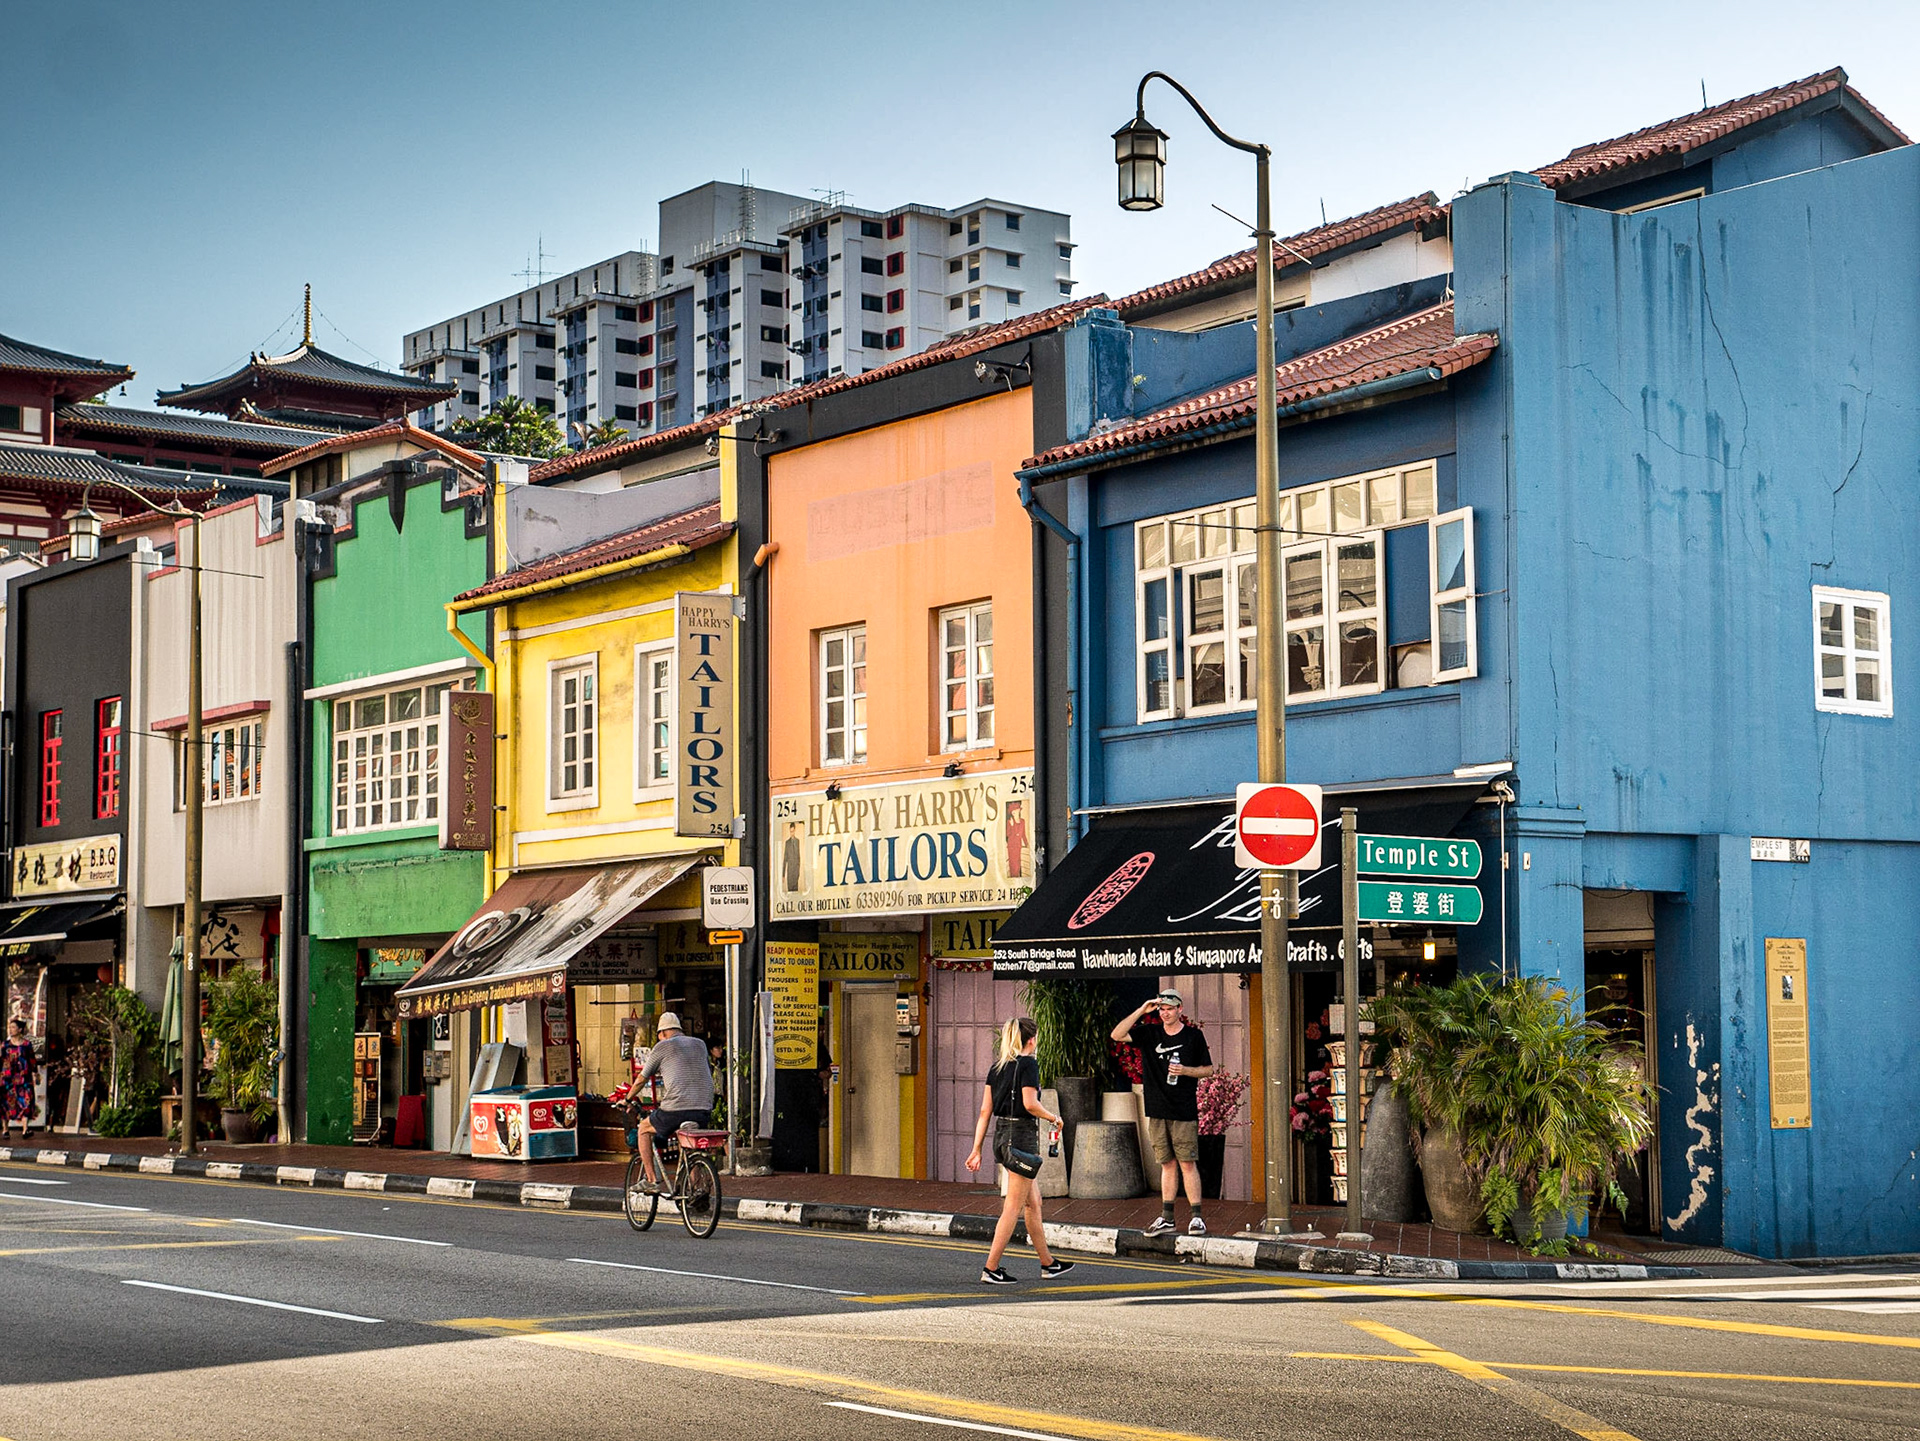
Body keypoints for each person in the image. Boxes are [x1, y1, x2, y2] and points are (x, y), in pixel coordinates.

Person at [966, 1016, 1075, 1286]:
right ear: (1032, 1039)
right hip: (1022, 1138)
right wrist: (1054, 1117)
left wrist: (976, 1149)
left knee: (1033, 1202)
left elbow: (984, 1112)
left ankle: (1048, 1263)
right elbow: (1030, 1103)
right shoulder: (1029, 1064)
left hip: (1002, 1137)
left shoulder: (998, 1066)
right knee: (1012, 1207)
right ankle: (991, 1268)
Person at [1112, 989, 1215, 1236]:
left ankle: (1196, 1217)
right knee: (1166, 1164)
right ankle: (1167, 1217)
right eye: (1162, 1009)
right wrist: (1142, 1009)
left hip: (1183, 1109)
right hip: (1157, 1109)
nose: (1165, 1013)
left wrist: (1185, 1071)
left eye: (1170, 1008)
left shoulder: (1193, 1036)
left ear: (1180, 1009)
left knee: (1187, 1163)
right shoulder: (1150, 1033)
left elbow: (1208, 1070)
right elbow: (1117, 1034)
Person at [634, 1012, 714, 1194]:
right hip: (703, 1108)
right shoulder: (700, 1044)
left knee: (643, 1129)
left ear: (662, 1033)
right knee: (687, 1141)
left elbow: (641, 1079)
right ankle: (696, 1190)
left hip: (676, 1109)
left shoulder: (662, 1046)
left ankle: (652, 1180)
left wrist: (628, 1098)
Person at [1, 1019, 36, 1140]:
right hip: (7, 1078)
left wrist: (35, 1073)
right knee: (6, 1103)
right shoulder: (5, 1045)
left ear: (20, 1029)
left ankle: (25, 1129)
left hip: (23, 1078)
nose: (10, 1029)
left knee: (26, 1101)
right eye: (9, 1027)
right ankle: (5, 1129)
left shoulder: (27, 1044)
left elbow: (32, 1059)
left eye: (13, 1027)